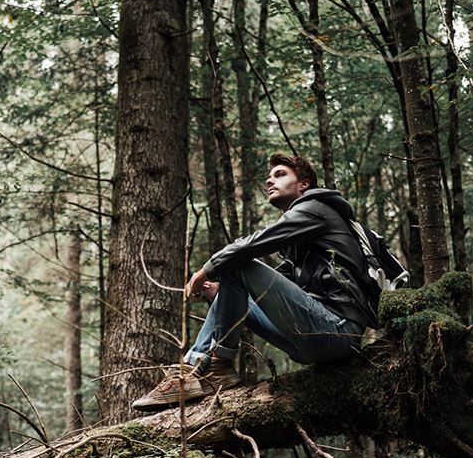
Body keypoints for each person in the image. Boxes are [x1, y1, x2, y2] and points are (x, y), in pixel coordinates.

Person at [132, 153, 373, 412]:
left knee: (238, 263)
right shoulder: (297, 240)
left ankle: (201, 367)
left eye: (280, 175)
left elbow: (253, 245)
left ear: (304, 184)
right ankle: (207, 371)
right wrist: (218, 290)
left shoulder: (317, 209)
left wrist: (206, 271)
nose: (270, 181)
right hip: (308, 341)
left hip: (338, 331)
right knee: (232, 275)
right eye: (268, 177)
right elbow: (279, 290)